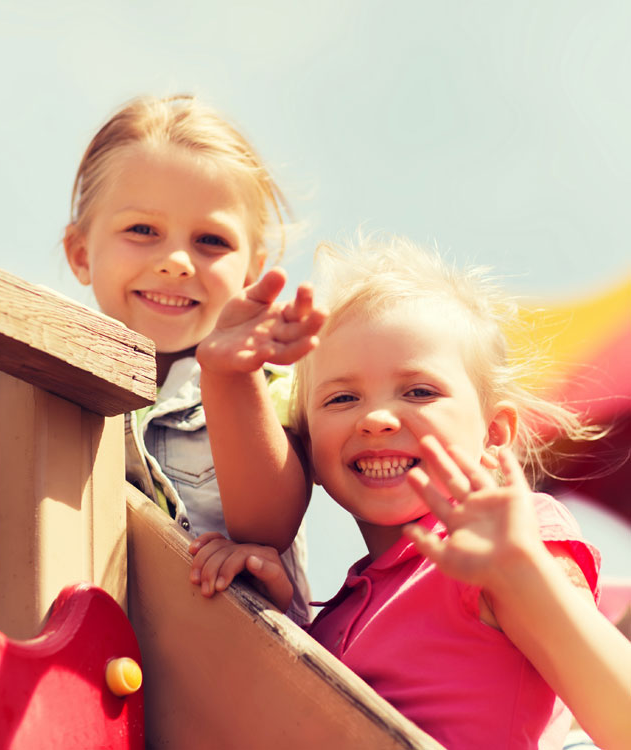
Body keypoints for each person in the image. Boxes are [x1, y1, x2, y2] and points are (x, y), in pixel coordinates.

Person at [190, 236, 631, 749]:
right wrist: (273, 613)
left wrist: (523, 574)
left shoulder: (504, 542)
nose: (376, 418)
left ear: (494, 433)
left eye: (419, 391)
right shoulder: (333, 621)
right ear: (307, 448)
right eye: (342, 398)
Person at [62, 94, 324, 624]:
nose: (177, 262)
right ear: (82, 254)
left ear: (253, 270)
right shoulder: (48, 381)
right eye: (142, 231)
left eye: (211, 240)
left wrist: (231, 374)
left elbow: (267, 528)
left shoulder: (266, 379)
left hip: (232, 673)